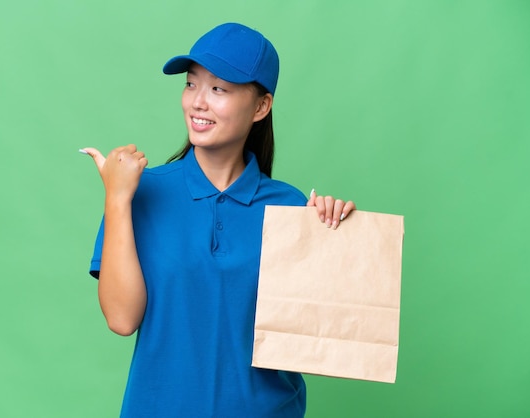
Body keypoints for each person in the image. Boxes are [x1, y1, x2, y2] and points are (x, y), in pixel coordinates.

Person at [81, 22, 355, 418]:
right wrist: (118, 199)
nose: (197, 102)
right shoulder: (139, 192)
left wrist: (333, 234)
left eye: (219, 89)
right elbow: (122, 319)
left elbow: (321, 334)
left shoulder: (292, 208)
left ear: (261, 106)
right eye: (192, 84)